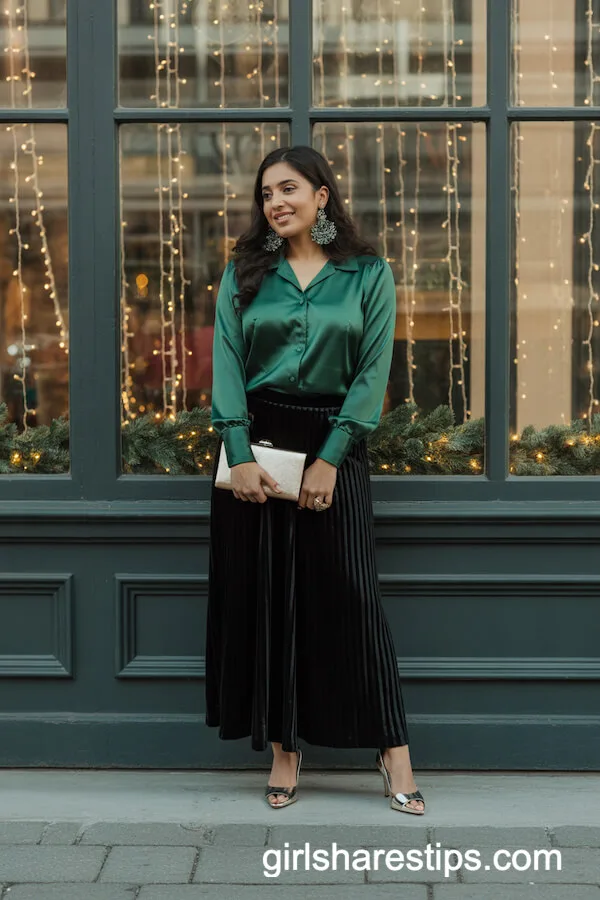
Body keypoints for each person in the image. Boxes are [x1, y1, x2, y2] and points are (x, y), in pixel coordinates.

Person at [206, 145, 425, 815]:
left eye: (288, 189)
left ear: (321, 195)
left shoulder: (368, 274)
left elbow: (371, 373)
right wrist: (239, 453)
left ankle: (394, 752)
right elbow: (227, 362)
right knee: (270, 599)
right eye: (266, 193)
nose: (275, 202)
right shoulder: (245, 272)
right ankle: (284, 750)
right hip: (259, 444)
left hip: (337, 442)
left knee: (353, 600)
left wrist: (330, 458)